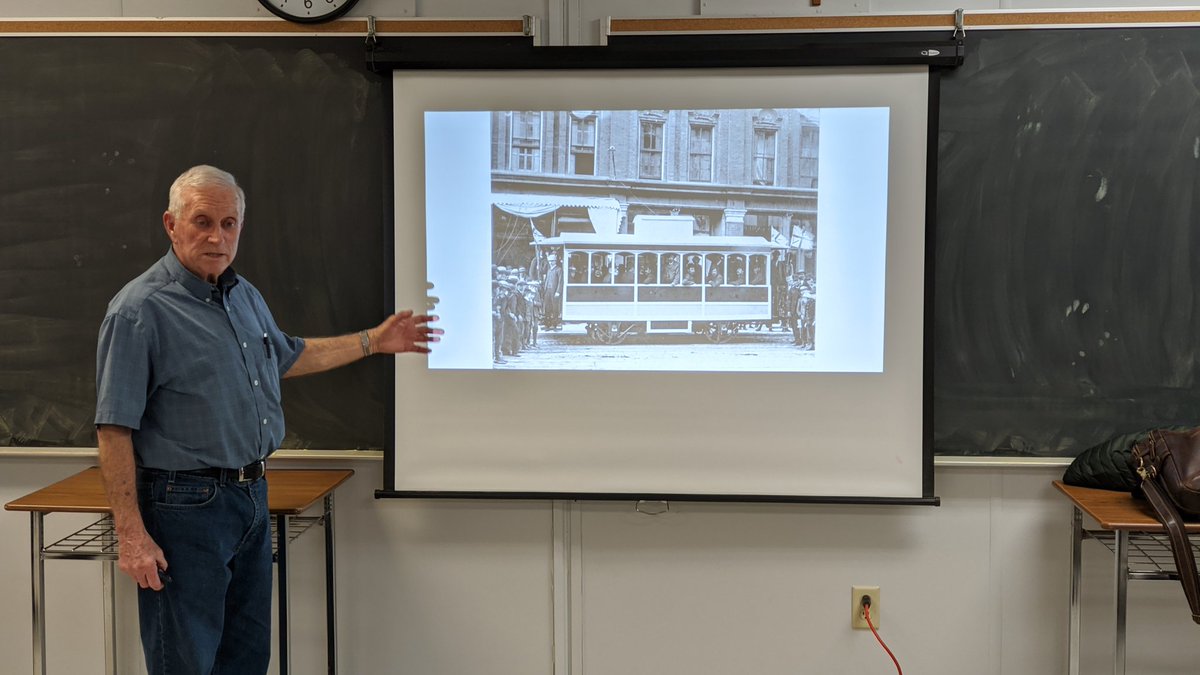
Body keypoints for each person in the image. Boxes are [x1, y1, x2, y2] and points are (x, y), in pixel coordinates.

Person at [93, 165, 441, 675]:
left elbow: (289, 356)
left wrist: (373, 341)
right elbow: (114, 427)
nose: (217, 237)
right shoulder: (139, 311)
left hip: (252, 497)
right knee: (185, 660)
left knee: (247, 656)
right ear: (171, 225)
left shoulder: (242, 295)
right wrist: (131, 534)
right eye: (202, 221)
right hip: (183, 506)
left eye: (229, 223)